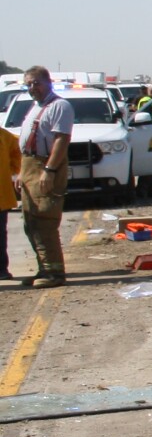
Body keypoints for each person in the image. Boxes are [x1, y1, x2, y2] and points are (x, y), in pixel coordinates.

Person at [15, 68, 74, 287]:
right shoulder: (36, 107)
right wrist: (22, 172)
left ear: (48, 82)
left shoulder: (59, 106)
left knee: (44, 219)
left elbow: (61, 139)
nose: (32, 88)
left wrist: (49, 170)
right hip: (30, 165)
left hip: (45, 165)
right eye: (28, 84)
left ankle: (54, 274)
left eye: (36, 83)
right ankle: (44, 269)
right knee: (31, 221)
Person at [0, 116, 19, 282]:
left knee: (0, 235)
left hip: (1, 196)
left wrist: (11, 171)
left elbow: (18, 153)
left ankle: (1, 269)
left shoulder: (4, 136)